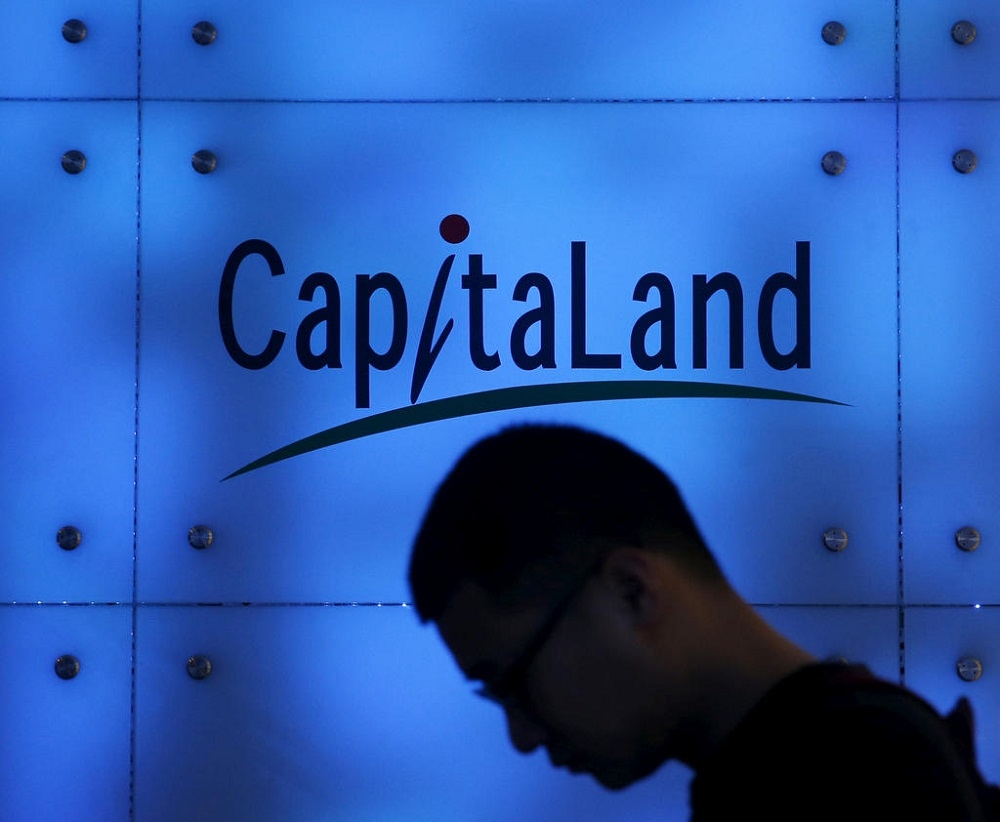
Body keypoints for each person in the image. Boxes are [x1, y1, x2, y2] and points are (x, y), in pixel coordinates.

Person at [408, 423, 999, 820]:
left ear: (632, 591)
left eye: (516, 682)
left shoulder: (853, 775)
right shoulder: (837, 759)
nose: (522, 737)